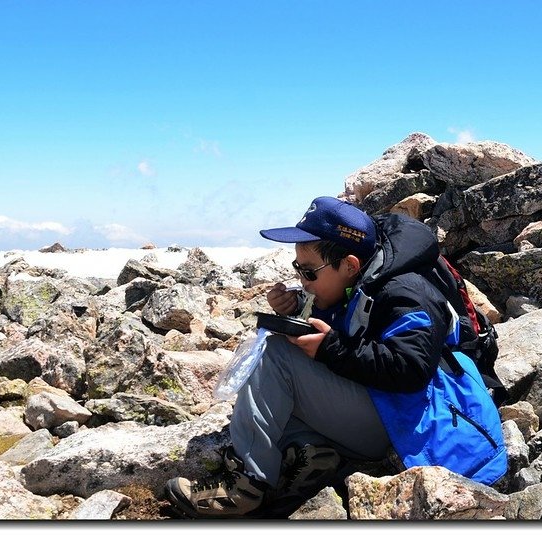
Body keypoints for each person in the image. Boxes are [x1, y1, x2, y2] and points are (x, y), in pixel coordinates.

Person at [164, 196, 485, 519]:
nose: (302, 280)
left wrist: (332, 349)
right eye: (297, 269)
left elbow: (411, 370)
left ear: (349, 265)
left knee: (276, 356)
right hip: (386, 410)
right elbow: (355, 320)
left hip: (403, 425)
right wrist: (302, 308)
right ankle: (315, 457)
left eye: (308, 272)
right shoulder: (367, 277)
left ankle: (247, 485)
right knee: (268, 400)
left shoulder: (406, 292)